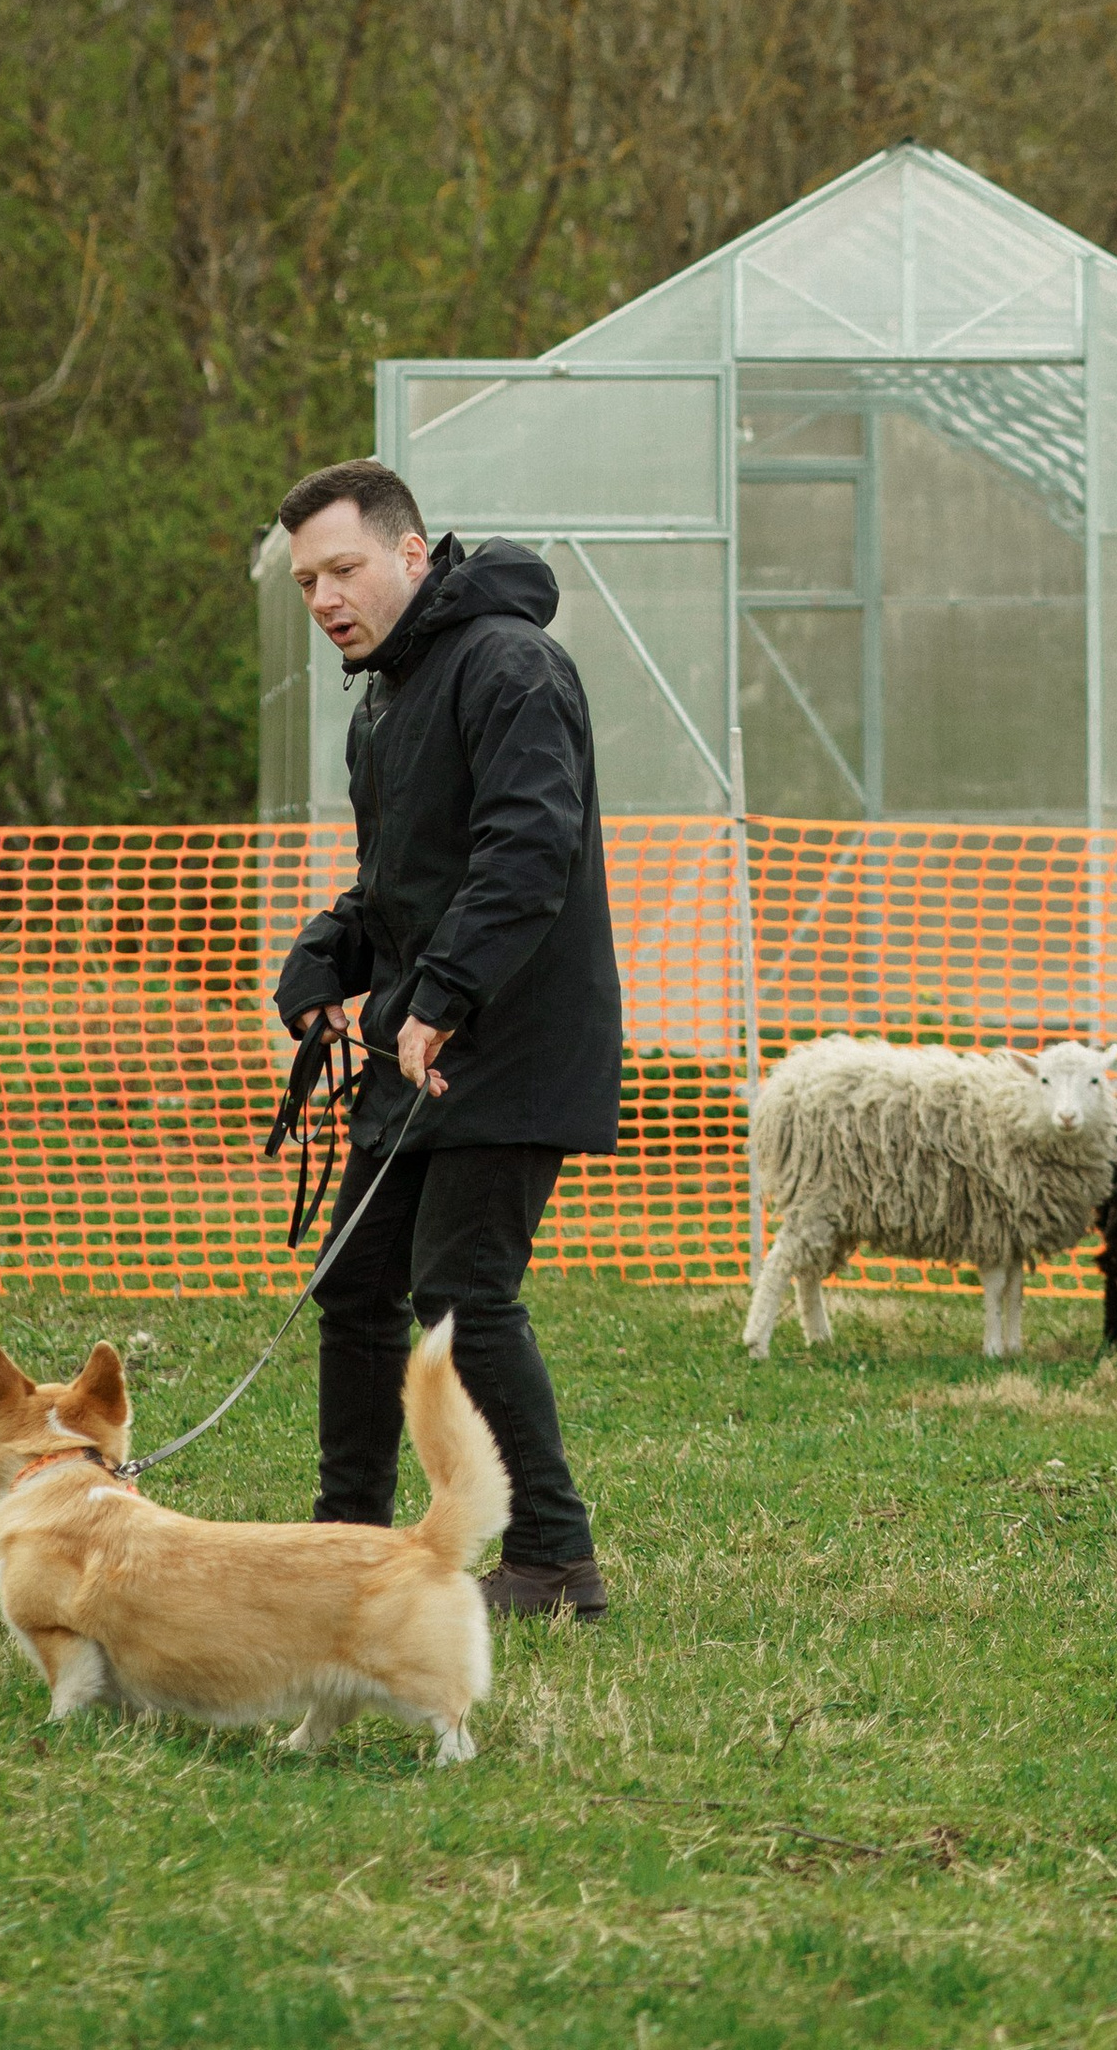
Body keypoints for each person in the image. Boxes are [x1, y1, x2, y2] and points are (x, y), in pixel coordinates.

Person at [270, 458, 622, 1620]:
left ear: (412, 556)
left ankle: (553, 1565)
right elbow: (397, 888)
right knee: (355, 1282)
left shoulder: (511, 666)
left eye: (344, 567)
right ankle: (346, 1540)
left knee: (461, 1291)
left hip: (504, 1043)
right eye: (307, 579)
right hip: (417, 1045)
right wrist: (323, 966)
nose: (324, 597)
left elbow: (526, 854)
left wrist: (439, 998)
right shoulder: (385, 697)